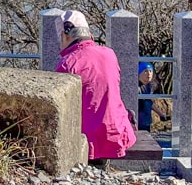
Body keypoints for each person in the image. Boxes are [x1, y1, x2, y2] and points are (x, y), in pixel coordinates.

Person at [54, 9, 136, 166]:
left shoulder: (67, 64)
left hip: (88, 140)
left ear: (65, 36)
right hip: (116, 132)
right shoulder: (109, 54)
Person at [137, 61, 163, 132]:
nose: (149, 74)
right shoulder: (137, 87)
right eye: (145, 71)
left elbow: (149, 102)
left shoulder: (148, 86)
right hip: (139, 121)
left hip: (146, 120)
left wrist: (160, 114)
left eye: (150, 71)